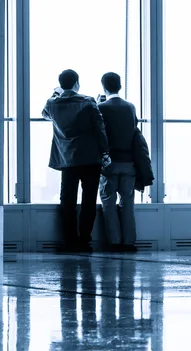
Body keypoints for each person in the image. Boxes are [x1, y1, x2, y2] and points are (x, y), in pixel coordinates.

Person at [42, 69, 111, 253]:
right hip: (90, 158)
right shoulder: (88, 102)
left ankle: (70, 240)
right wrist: (104, 152)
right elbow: (100, 129)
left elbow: (44, 113)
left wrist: (55, 93)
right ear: (77, 83)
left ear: (61, 84)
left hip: (67, 160)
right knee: (89, 200)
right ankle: (84, 240)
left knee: (68, 200)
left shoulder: (53, 104)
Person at [97, 72, 139, 252]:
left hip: (110, 164)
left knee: (108, 201)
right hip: (129, 163)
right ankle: (129, 242)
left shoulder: (101, 107)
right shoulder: (130, 107)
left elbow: (98, 132)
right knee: (128, 202)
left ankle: (114, 242)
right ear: (120, 87)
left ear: (103, 87)